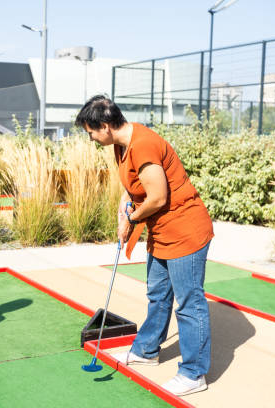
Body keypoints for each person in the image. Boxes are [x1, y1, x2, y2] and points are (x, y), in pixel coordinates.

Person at [75, 95, 214, 396]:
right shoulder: (121, 146)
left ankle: (194, 373)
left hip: (185, 230)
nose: (91, 137)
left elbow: (158, 198)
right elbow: (131, 189)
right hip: (161, 231)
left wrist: (133, 219)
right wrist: (122, 213)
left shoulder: (144, 144)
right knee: (158, 292)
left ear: (105, 126)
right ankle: (147, 351)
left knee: (189, 303)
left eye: (91, 132)